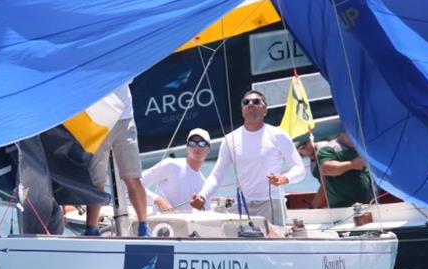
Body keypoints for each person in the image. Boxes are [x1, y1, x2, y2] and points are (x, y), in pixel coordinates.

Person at [190, 90, 305, 225]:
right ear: (242, 110)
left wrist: (284, 179)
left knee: (272, 244)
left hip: (271, 203)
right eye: (246, 102)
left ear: (265, 110)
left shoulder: (278, 135)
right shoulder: (230, 139)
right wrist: (203, 196)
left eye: (256, 102)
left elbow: (300, 169)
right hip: (242, 205)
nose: (251, 104)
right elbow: (217, 175)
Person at [84, 83, 151, 237]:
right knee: (97, 180)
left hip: (124, 118)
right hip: (97, 120)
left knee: (132, 177)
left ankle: (143, 226)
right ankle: (91, 229)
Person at [295, 132, 373, 208]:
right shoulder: (313, 165)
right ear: (298, 151)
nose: (307, 148)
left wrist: (314, 206)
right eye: (302, 147)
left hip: (358, 199)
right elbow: (325, 183)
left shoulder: (325, 148)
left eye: (307, 142)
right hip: (341, 202)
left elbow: (325, 183)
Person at [142, 128, 211, 212]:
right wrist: (158, 200)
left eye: (202, 143)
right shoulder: (171, 165)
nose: (196, 147)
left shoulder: (204, 183)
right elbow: (137, 184)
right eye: (192, 143)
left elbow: (206, 211)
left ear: (209, 149)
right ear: (187, 147)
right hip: (161, 223)